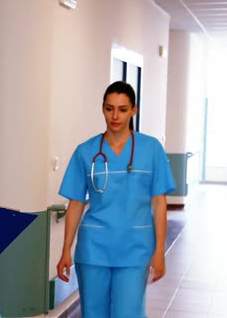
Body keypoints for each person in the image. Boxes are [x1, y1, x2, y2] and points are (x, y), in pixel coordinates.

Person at [56, 81, 176, 317]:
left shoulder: (151, 149)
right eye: (109, 108)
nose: (115, 116)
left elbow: (159, 203)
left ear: (134, 110)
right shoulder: (86, 151)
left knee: (128, 312)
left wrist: (159, 251)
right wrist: (65, 251)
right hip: (93, 248)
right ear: (103, 109)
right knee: (93, 313)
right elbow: (76, 203)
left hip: (136, 248)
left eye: (122, 109)